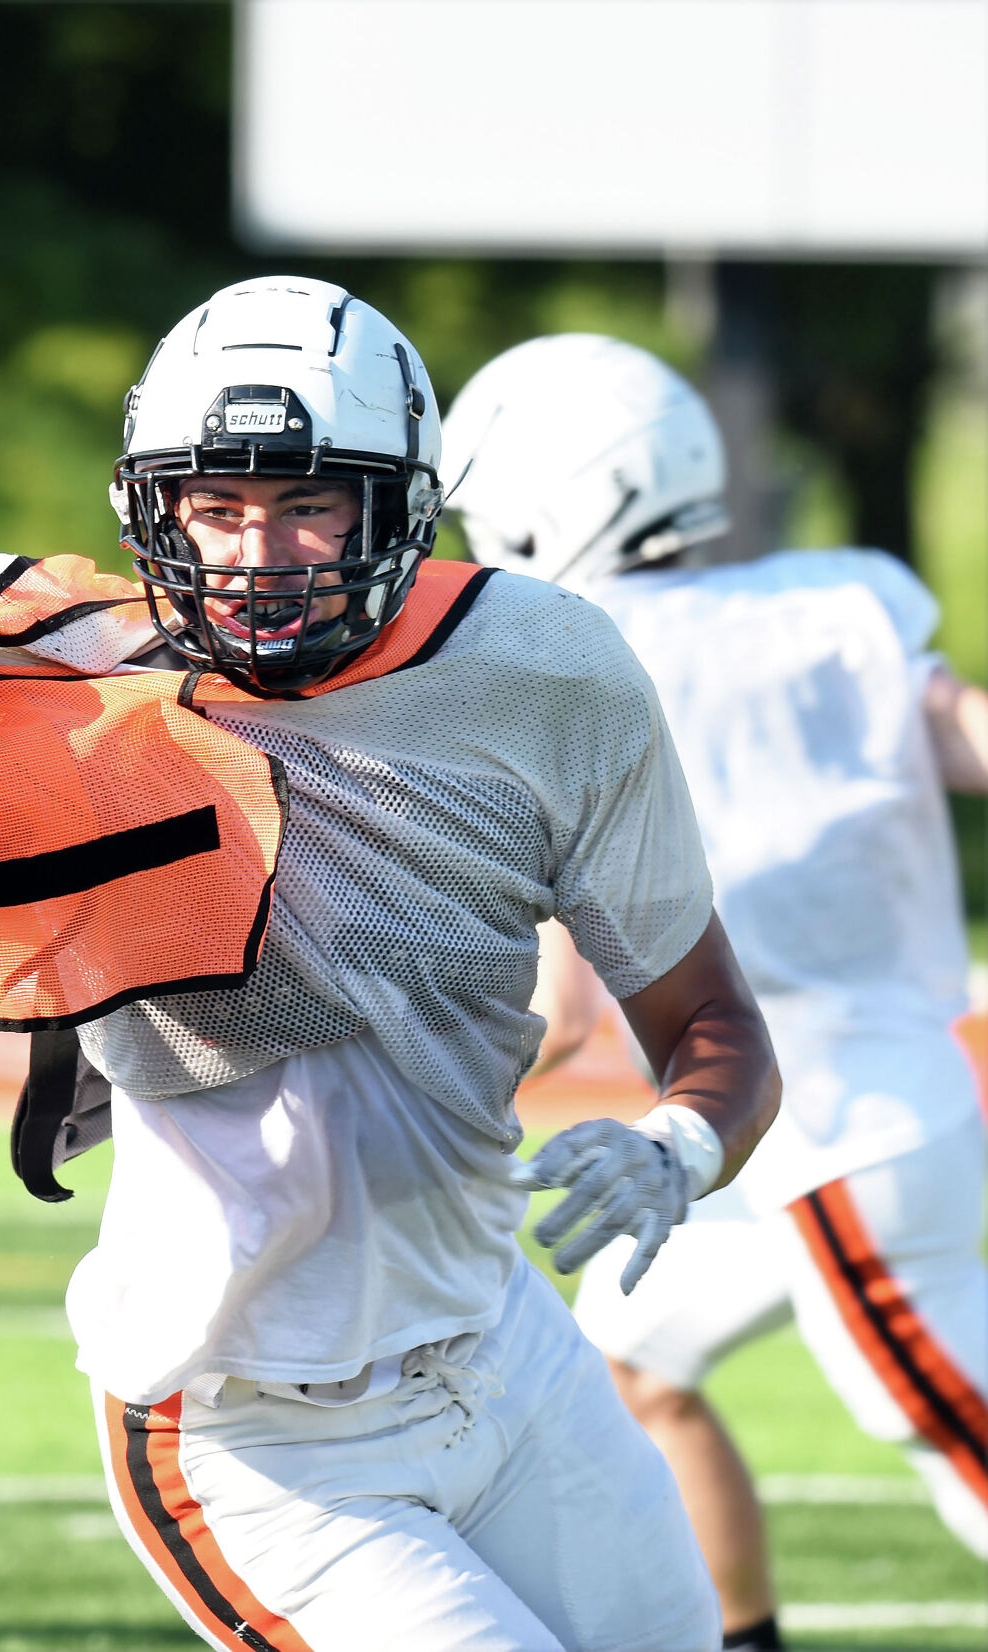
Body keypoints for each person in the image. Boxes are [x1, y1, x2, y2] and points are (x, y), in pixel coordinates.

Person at [0, 276, 780, 1651]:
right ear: (153, 511)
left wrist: (681, 1148)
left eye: (307, 504)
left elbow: (713, 1020)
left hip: (502, 1349)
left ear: (401, 502)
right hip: (250, 1433)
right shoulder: (74, 678)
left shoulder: (546, 670)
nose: (256, 553)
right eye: (216, 508)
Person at [444, 332, 988, 1649]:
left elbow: (565, 1007)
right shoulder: (829, 607)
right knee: (631, 1364)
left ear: (541, 497)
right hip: (807, 1129)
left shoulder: (567, 659)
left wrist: (397, 1085)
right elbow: (964, 730)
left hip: (836, 1139)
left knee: (958, 1445)